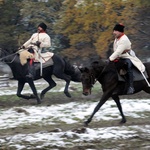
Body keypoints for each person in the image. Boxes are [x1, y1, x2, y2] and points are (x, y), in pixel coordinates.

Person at [109, 23, 145, 94]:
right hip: (120, 57)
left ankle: (131, 87)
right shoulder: (117, 38)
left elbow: (118, 51)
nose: (114, 33)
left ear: (120, 31)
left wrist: (110, 59)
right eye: (114, 31)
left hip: (127, 57)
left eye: (115, 31)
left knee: (128, 65)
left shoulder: (124, 39)